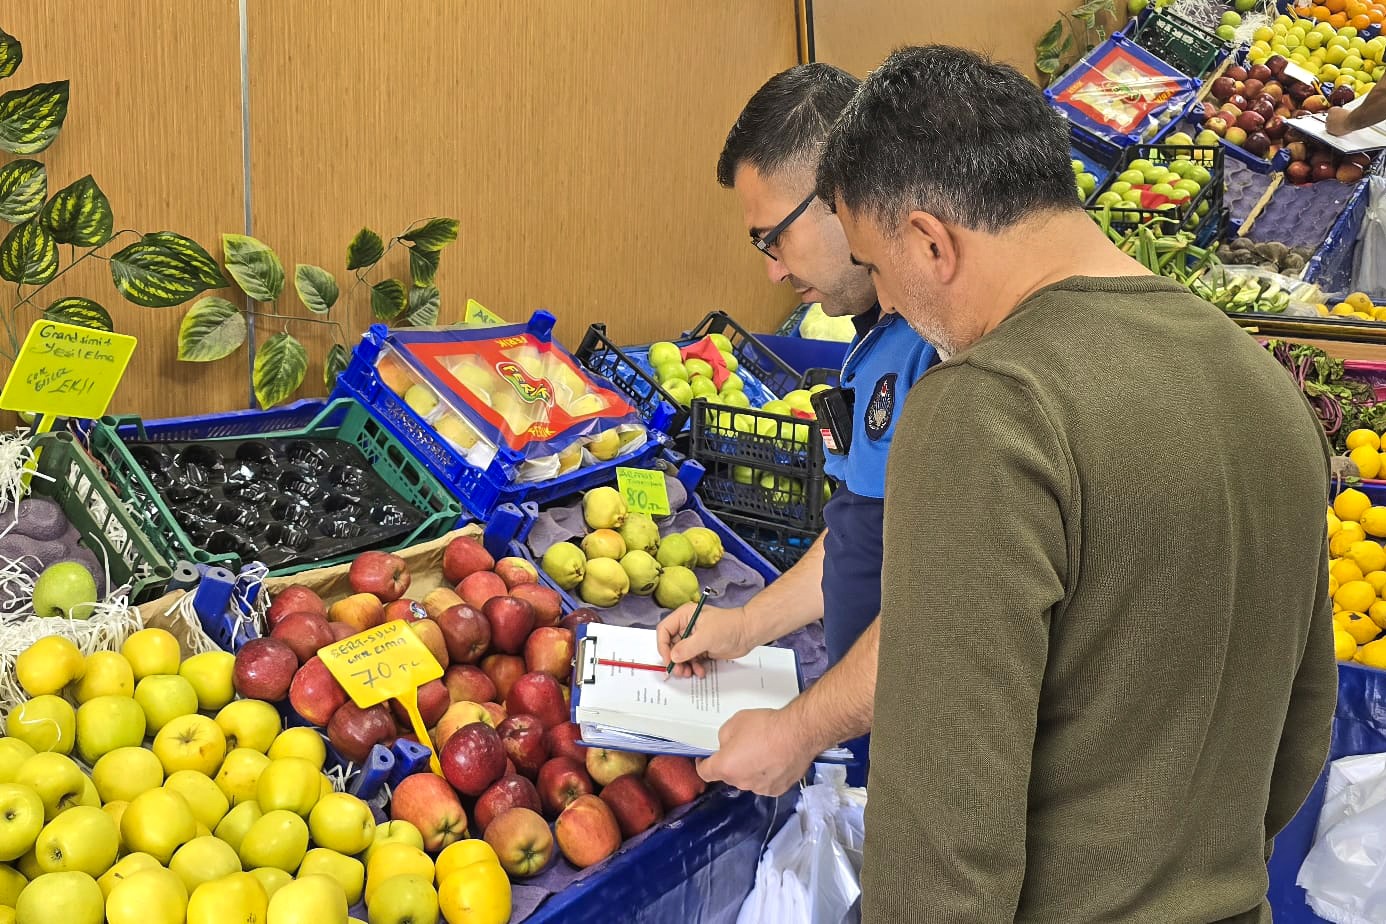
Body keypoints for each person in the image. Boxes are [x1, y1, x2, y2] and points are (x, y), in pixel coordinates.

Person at [805, 45, 1337, 922]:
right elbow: (1303, 722)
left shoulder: (986, 411)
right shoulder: (1262, 381)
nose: (887, 304)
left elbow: (945, 838)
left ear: (932, 241)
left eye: (876, 266)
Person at [656, 63, 937, 789]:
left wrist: (798, 731)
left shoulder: (943, 351)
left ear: (842, 193)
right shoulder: (875, 334)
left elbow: (941, 607)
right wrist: (745, 626)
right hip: (877, 749)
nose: (773, 273)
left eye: (771, 240)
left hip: (926, 762)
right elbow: (862, 535)